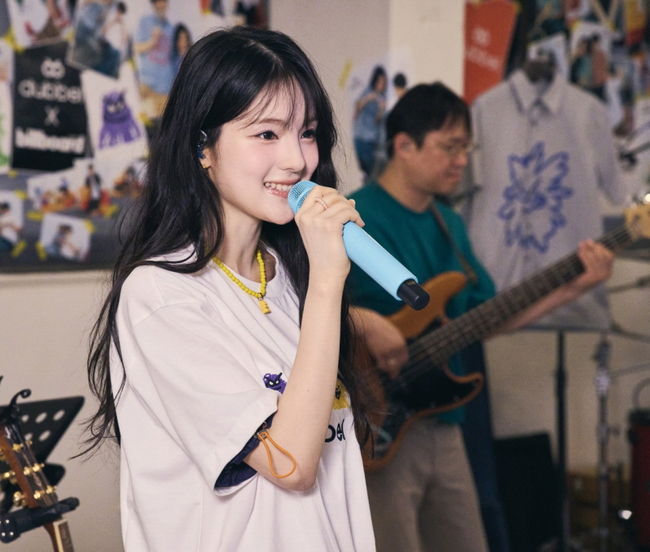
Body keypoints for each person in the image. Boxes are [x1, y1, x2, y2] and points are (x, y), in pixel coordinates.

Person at [84, 27, 375, 552]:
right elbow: (291, 466)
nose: (296, 160)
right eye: (267, 134)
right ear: (203, 147)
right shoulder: (161, 295)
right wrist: (328, 282)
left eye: (307, 132)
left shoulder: (290, 277)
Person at [347, 82, 614, 552]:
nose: (461, 161)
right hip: (376, 421)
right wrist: (365, 322)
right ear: (404, 146)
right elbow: (302, 308)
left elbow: (485, 318)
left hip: (446, 420)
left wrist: (576, 287)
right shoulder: (354, 219)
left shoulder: (449, 224)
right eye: (449, 147)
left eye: (466, 149)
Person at [134, 0, 174, 119]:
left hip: (166, 89)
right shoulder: (145, 22)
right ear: (153, 4)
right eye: (158, 2)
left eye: (163, 2)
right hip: (148, 86)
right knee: (149, 124)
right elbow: (136, 48)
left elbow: (172, 59)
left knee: (164, 125)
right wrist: (153, 41)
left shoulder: (171, 28)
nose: (161, 5)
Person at [353, 65, 387, 180]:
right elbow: (357, 107)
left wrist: (381, 110)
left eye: (383, 82)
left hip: (371, 138)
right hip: (360, 135)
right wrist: (368, 98)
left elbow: (378, 120)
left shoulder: (383, 98)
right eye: (379, 82)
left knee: (370, 171)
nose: (381, 85)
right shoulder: (367, 91)